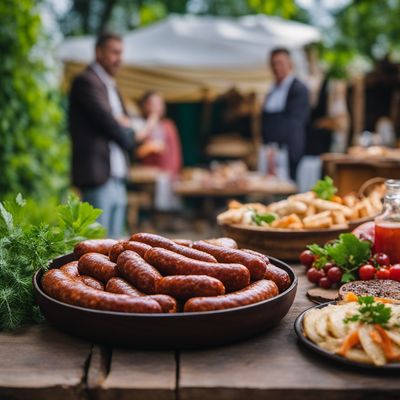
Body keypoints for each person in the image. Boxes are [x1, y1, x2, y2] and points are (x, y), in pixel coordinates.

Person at [68, 32, 146, 238]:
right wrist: (126, 129)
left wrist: (123, 125)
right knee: (96, 244)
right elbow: (111, 124)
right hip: (97, 176)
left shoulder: (110, 86)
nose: (119, 58)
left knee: (115, 244)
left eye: (121, 53)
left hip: (117, 174)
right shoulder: (86, 81)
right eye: (114, 52)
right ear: (98, 52)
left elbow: (124, 122)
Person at [261, 47, 310, 180]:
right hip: (271, 149)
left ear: (290, 63)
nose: (277, 67)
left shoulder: (298, 88)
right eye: (274, 64)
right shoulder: (272, 89)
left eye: (280, 63)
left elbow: (296, 121)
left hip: (287, 150)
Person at [136, 91, 182, 177]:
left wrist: (176, 172)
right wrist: (150, 146)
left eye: (159, 103)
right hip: (148, 174)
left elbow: (175, 152)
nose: (156, 107)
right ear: (145, 105)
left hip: (168, 173)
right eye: (152, 103)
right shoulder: (140, 124)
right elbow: (136, 148)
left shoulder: (168, 125)